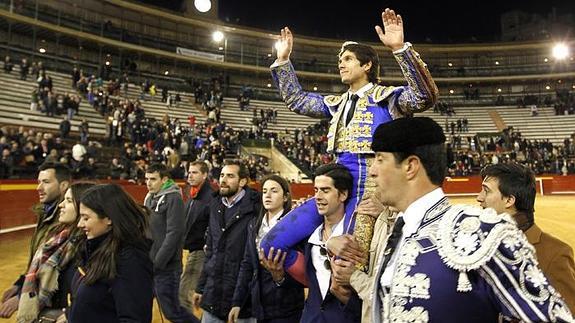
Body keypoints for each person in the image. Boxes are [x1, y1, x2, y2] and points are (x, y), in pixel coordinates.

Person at [261, 8, 438, 275]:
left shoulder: (387, 98)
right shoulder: (336, 103)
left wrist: (401, 49)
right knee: (270, 245)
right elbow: (297, 100)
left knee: (351, 266)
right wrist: (283, 61)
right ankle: (322, 294)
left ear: (367, 65)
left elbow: (424, 96)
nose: (341, 64)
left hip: (372, 192)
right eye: (340, 60)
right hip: (333, 188)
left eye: (348, 59)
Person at [368, 117, 573, 322]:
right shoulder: (399, 232)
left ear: (410, 166)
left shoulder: (482, 231)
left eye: (380, 159)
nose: (372, 171)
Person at [477, 163, 575, 313]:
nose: (479, 198)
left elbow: (568, 315)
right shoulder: (483, 245)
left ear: (509, 200)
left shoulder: (555, 254)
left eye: (486, 191)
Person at [68, 184, 153, 322]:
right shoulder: (93, 250)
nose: (79, 224)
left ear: (108, 219)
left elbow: (134, 319)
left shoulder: (130, 260)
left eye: (86, 218)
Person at [228, 175, 305, 323]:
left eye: (274, 191)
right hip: (260, 305)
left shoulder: (296, 225)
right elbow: (247, 264)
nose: (267, 195)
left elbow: (303, 270)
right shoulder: (253, 225)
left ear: (285, 197)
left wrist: (280, 278)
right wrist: (237, 302)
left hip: (287, 308)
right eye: (264, 191)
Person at [192, 160, 261, 323]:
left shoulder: (256, 209)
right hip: (213, 298)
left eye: (230, 176)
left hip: (243, 303)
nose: (223, 180)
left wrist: (241, 300)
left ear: (243, 181)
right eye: (222, 175)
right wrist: (201, 287)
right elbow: (210, 252)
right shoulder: (214, 205)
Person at [0, 162, 71, 319]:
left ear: (63, 185)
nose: (38, 188)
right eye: (39, 182)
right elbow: (39, 260)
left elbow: (55, 269)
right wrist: (20, 284)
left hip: (56, 304)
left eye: (46, 182)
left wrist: (22, 296)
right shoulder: (46, 214)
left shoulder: (66, 220)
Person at [16, 182, 94, 323]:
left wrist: (68, 314)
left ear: (84, 208)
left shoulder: (87, 247)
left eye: (69, 201)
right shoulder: (58, 239)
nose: (61, 205)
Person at [298, 163, 362, 322]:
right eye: (315, 190)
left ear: (343, 195)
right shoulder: (308, 237)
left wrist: (348, 301)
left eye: (325, 190)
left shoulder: (358, 239)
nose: (317, 197)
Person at [326, 198, 397, 322]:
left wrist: (354, 278)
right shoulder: (380, 217)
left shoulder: (390, 219)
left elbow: (397, 298)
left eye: (325, 190)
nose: (318, 197)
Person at [144, 163, 197, 323]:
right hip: (149, 265)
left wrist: (158, 262)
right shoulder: (149, 198)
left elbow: (174, 234)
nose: (148, 183)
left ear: (164, 179)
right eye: (146, 179)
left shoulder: (174, 198)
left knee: (172, 312)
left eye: (153, 179)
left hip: (166, 268)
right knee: (141, 307)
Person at [179, 161, 215, 314]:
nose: (190, 176)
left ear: (205, 175)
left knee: (184, 295)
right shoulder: (193, 193)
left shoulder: (209, 197)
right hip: (191, 249)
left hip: (200, 250)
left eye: (195, 172)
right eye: (189, 172)